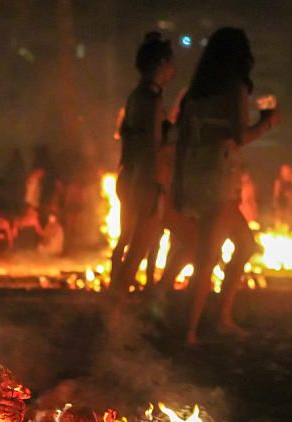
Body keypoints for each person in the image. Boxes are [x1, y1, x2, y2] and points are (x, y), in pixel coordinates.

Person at [173, 27, 280, 342]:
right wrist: (269, 122)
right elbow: (240, 137)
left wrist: (179, 185)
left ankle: (219, 316)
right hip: (219, 176)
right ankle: (191, 330)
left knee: (243, 245)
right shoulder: (234, 88)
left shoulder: (195, 92)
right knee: (208, 256)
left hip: (197, 175)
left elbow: (182, 144)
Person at [111, 32, 176, 292]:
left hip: (128, 175)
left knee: (126, 239)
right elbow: (153, 144)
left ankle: (112, 297)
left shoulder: (135, 95)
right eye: (171, 63)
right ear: (161, 63)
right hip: (145, 179)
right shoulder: (152, 98)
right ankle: (118, 305)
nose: (174, 69)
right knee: (142, 241)